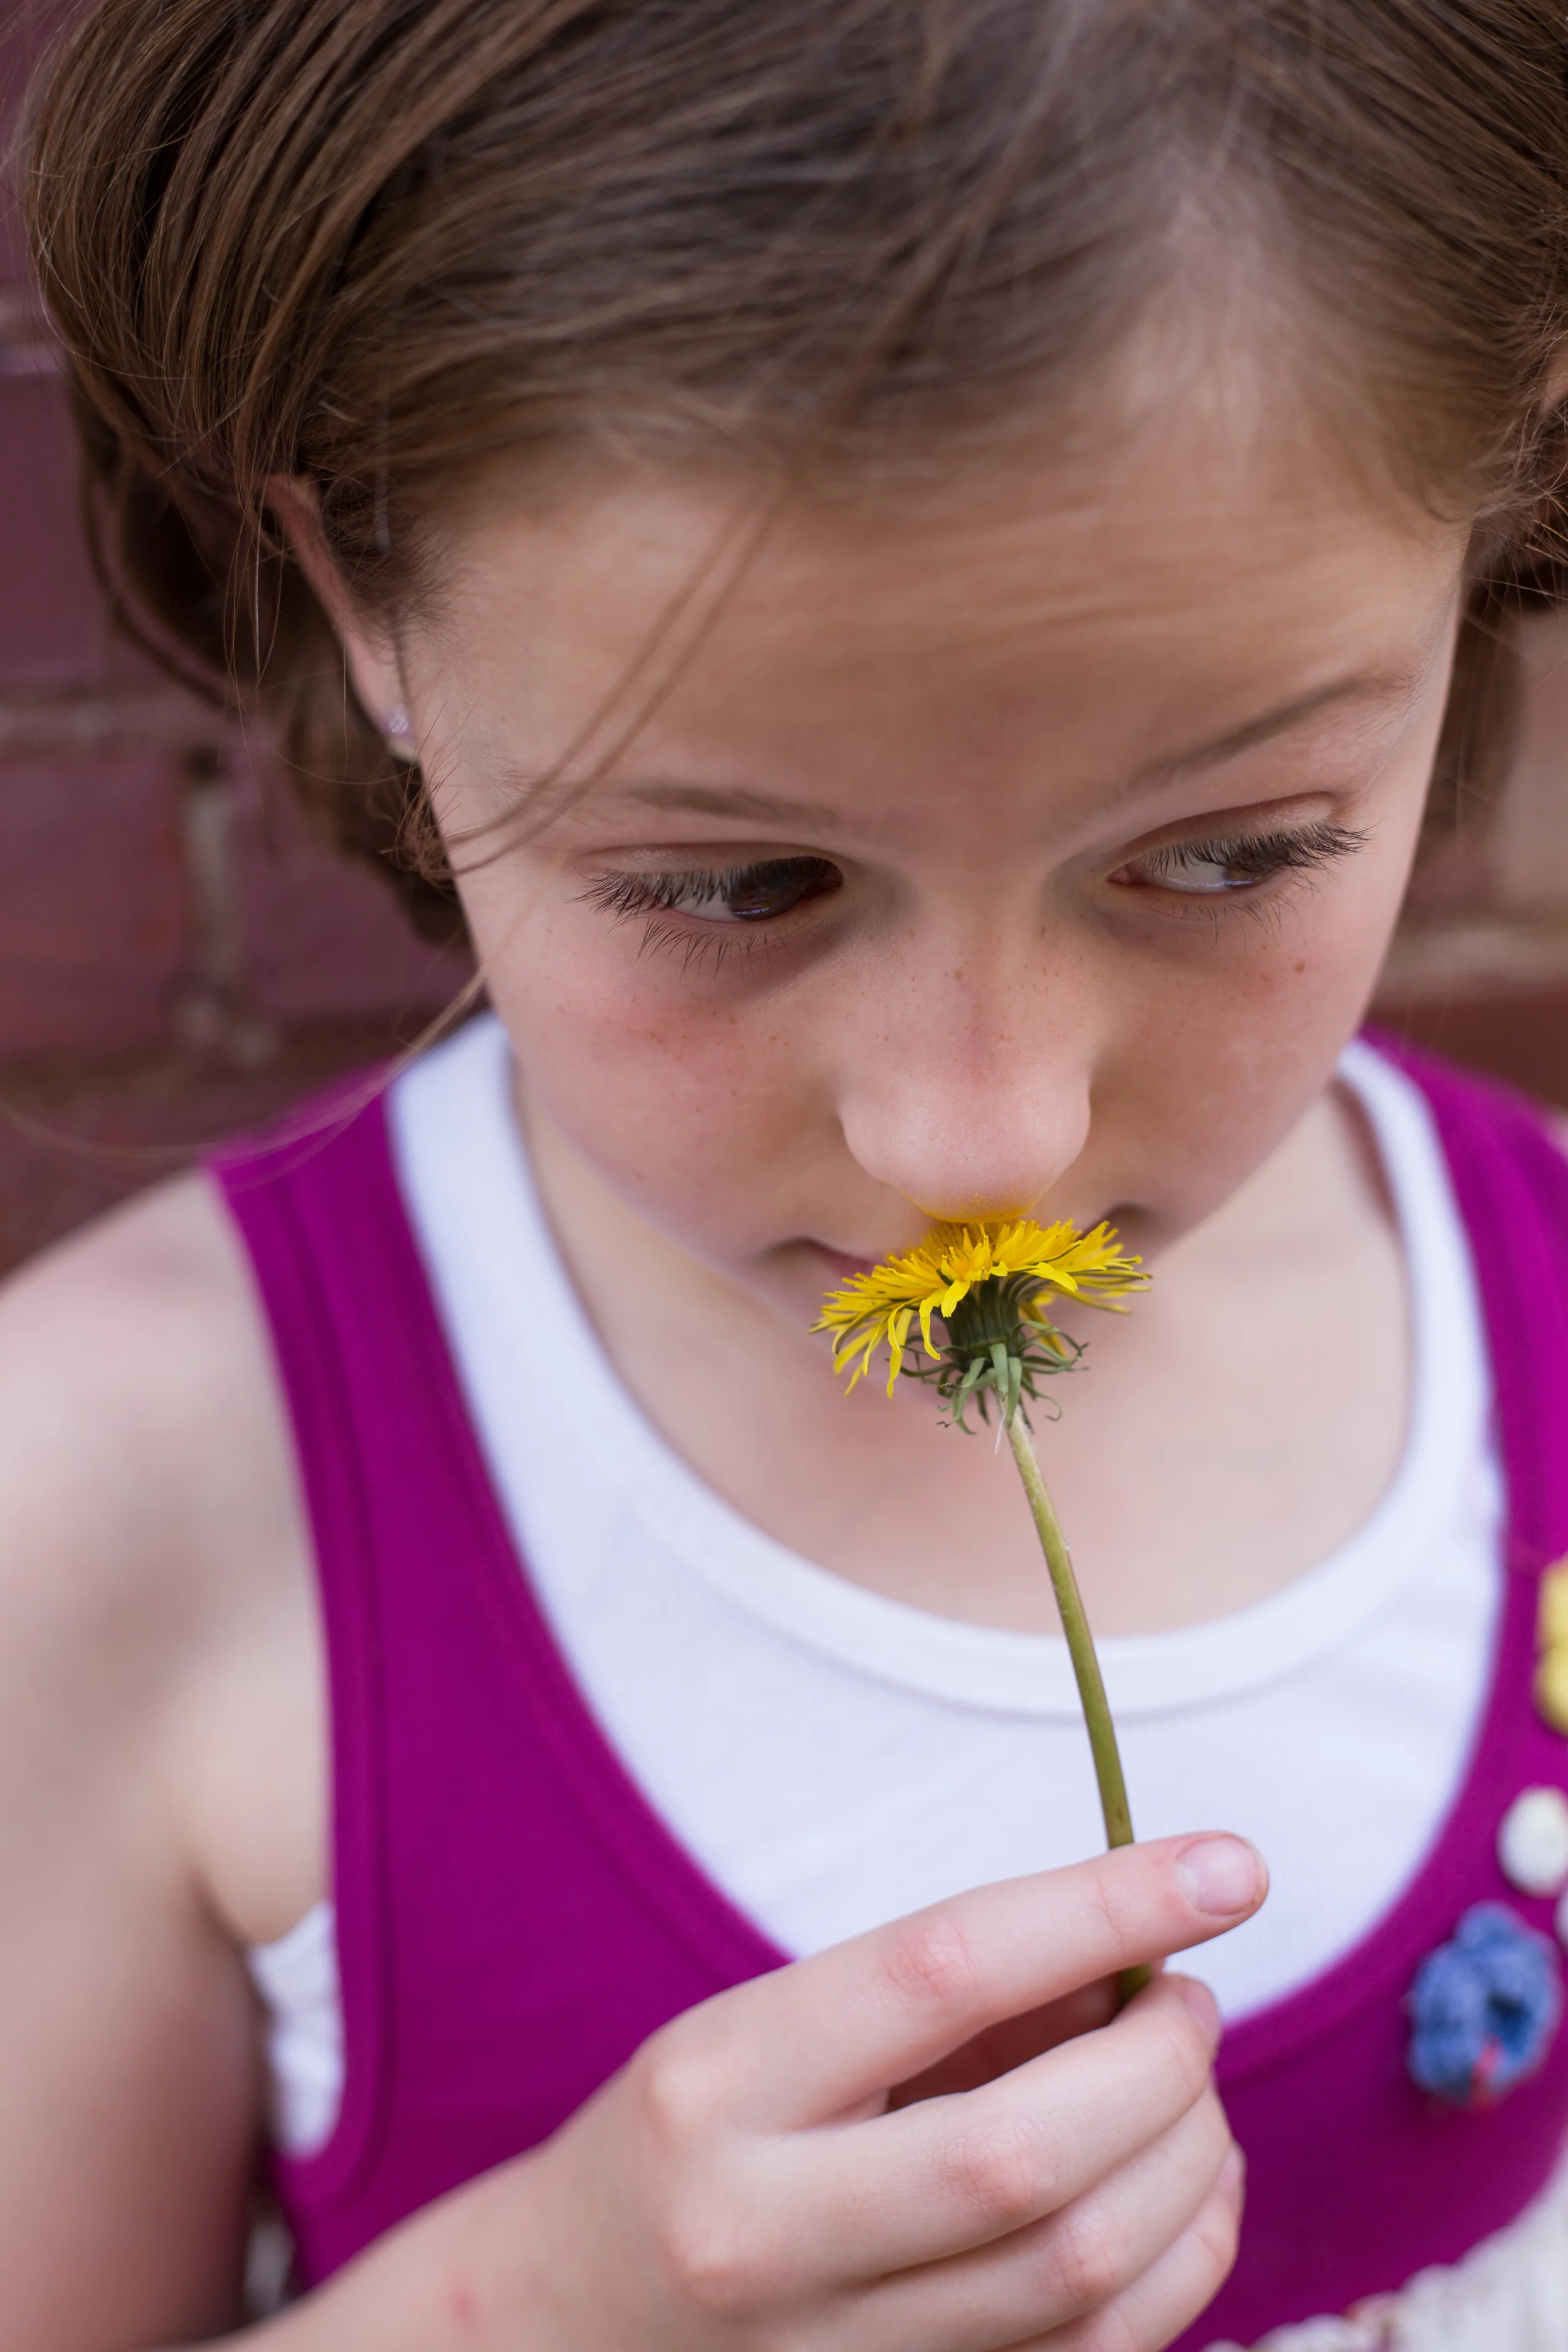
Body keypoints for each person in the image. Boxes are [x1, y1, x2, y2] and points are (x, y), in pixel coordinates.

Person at [9, 0, 1568, 2344]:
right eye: (739, 885)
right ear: (361, 597)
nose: (981, 1135)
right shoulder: (117, 1505)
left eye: (1226, 850)